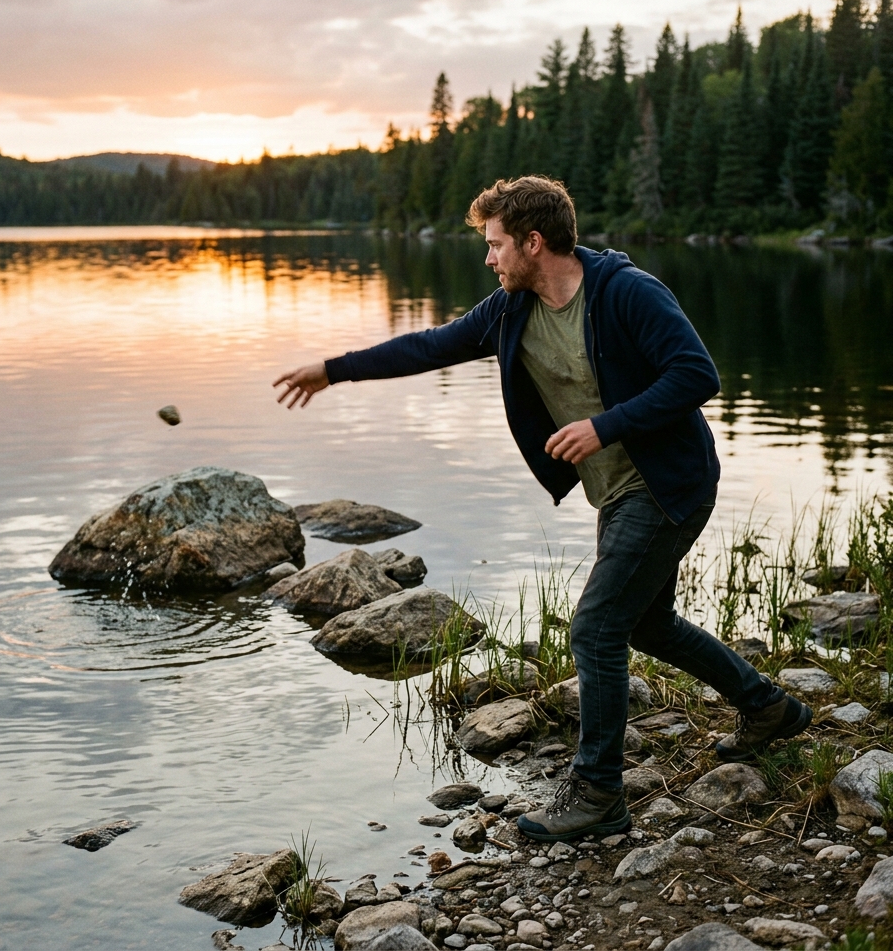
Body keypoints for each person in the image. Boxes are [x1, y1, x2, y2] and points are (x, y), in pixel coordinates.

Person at [273, 176, 812, 842]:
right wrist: (333, 368)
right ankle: (769, 708)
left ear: (534, 241)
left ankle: (598, 792)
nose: (489, 258)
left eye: (497, 245)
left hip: (669, 483)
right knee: (646, 625)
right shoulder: (510, 310)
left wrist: (605, 426)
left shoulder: (625, 292)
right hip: (617, 489)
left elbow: (698, 374)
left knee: (595, 628)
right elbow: (430, 346)